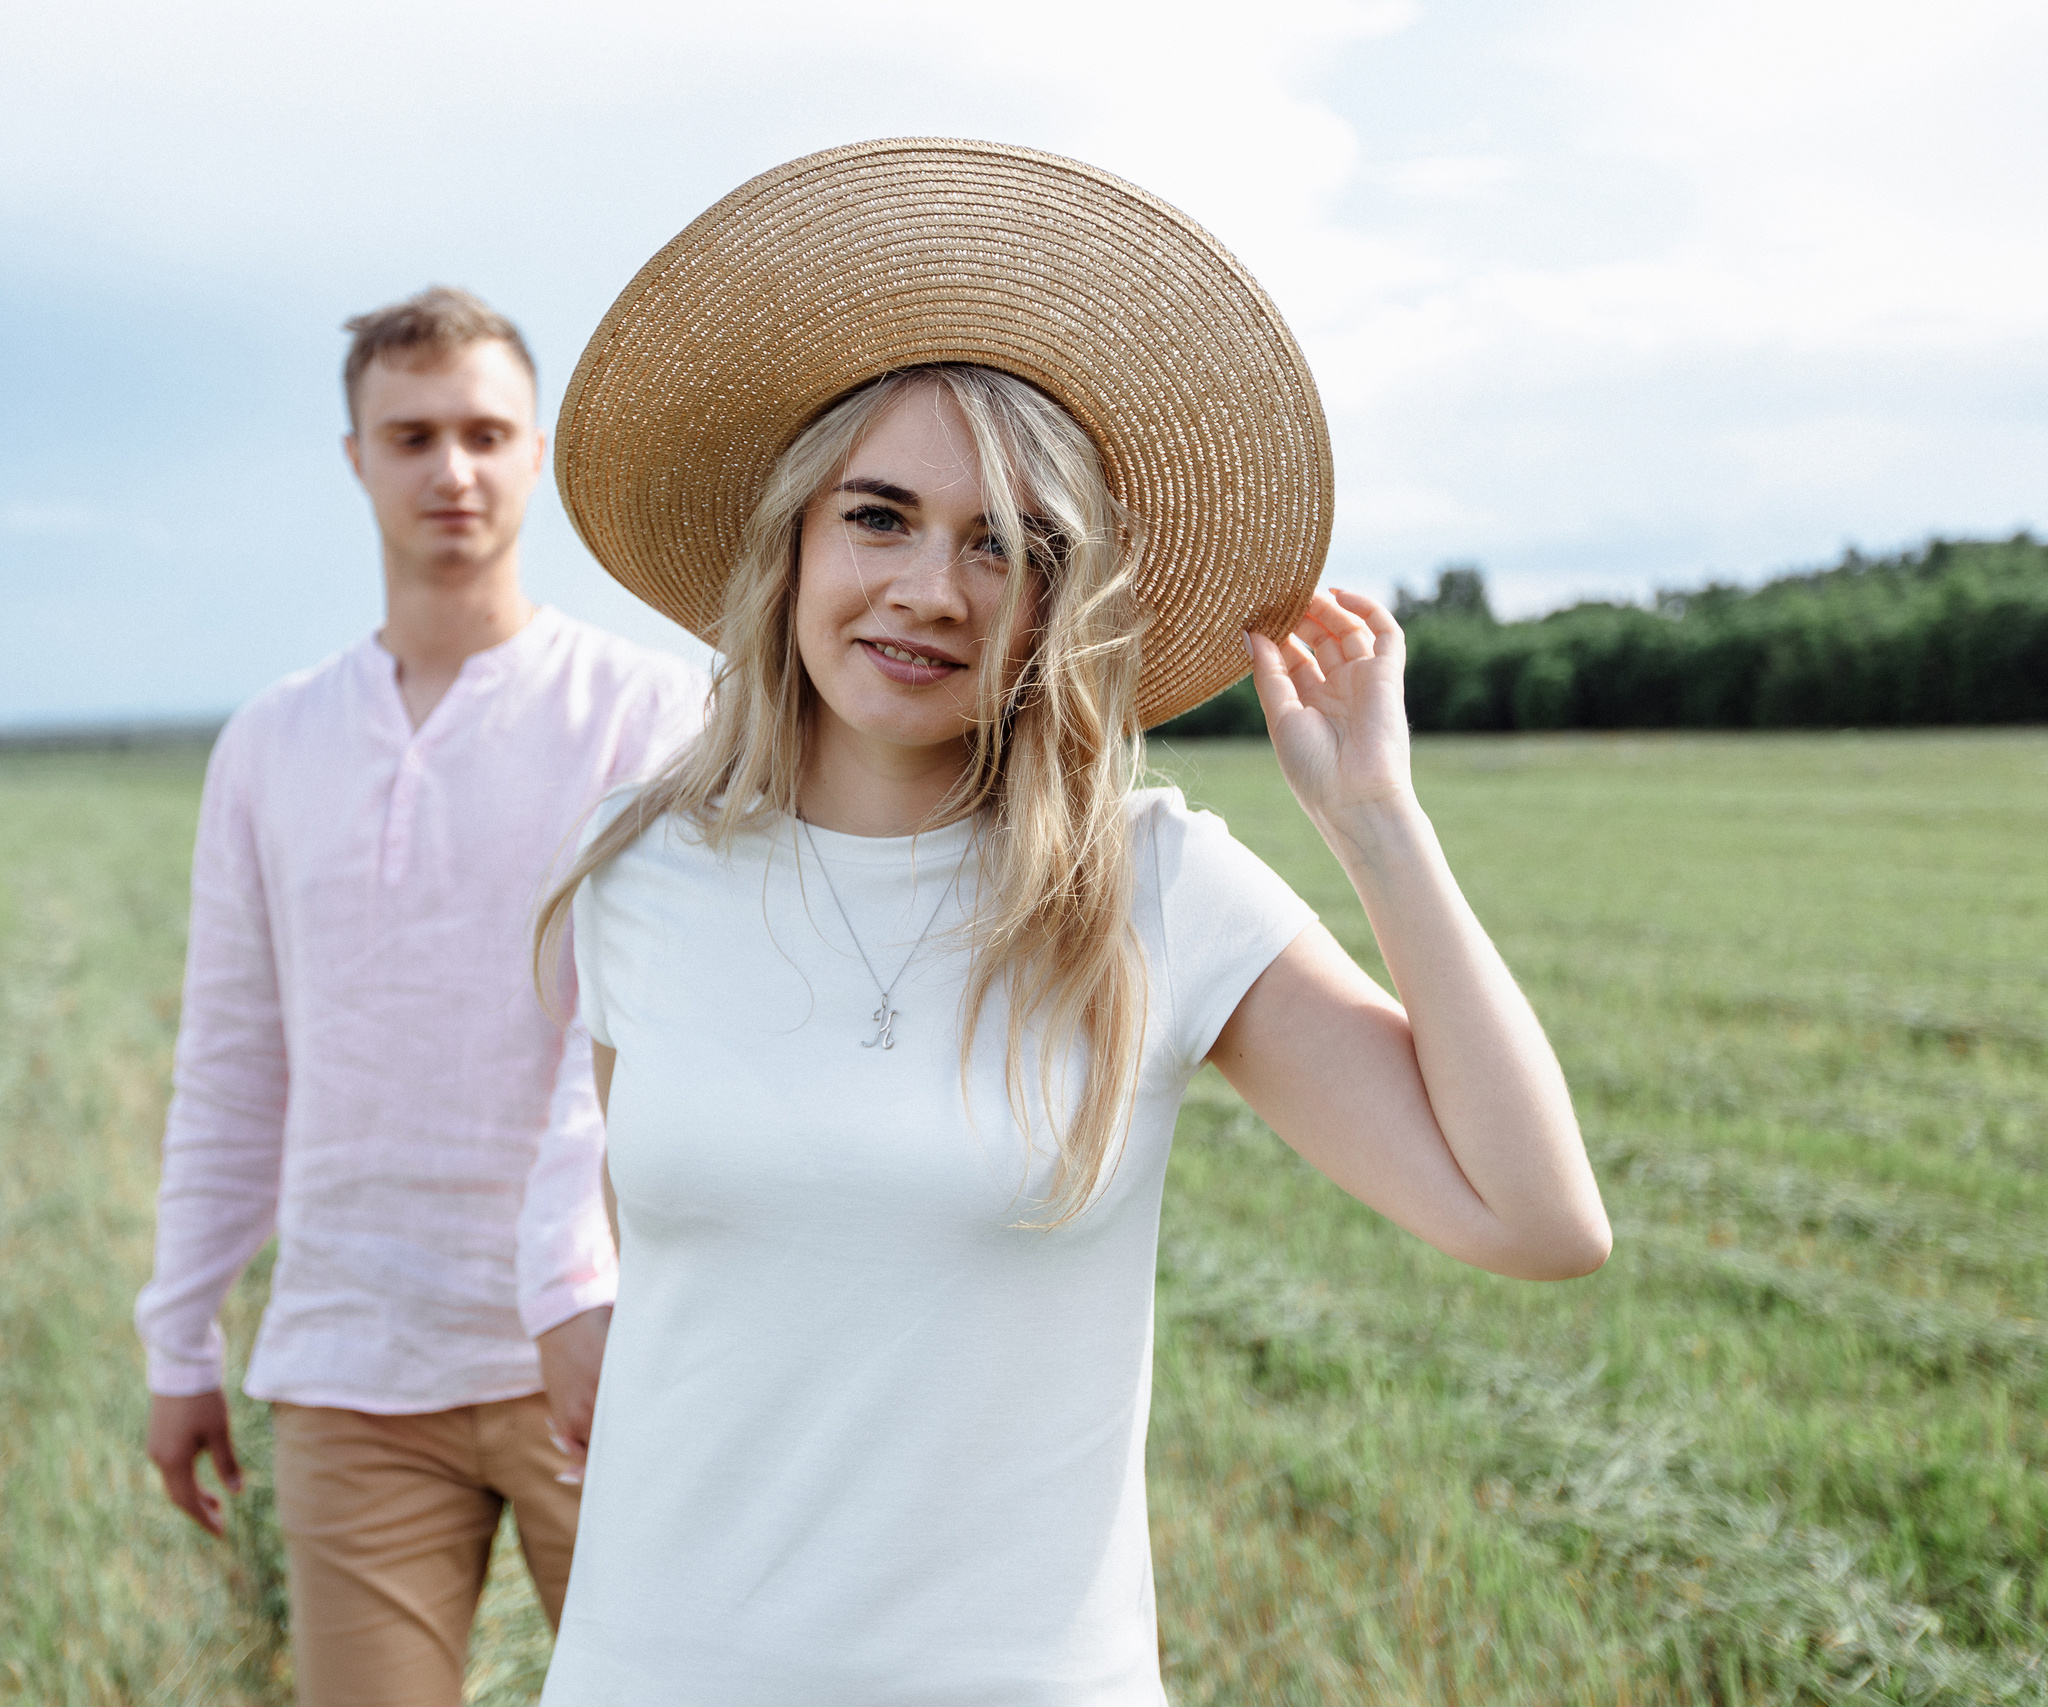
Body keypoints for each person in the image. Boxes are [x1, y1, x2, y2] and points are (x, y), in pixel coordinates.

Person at [528, 142, 1613, 1704]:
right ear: (793, 547)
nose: (933, 589)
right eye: (881, 518)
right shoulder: (642, 876)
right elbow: (695, 1299)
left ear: (1067, 602)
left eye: (1010, 546)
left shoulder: (1149, 889)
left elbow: (1535, 1220)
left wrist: (1378, 824)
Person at [134, 285, 701, 1707]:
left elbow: (635, 1028)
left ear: (538, 451)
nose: (452, 469)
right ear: (356, 459)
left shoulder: (648, 711)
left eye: (485, 433)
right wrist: (181, 1330)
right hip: (350, 1358)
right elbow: (234, 1055)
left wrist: (574, 1277)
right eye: (413, 436)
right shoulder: (271, 742)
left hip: (608, 1357)